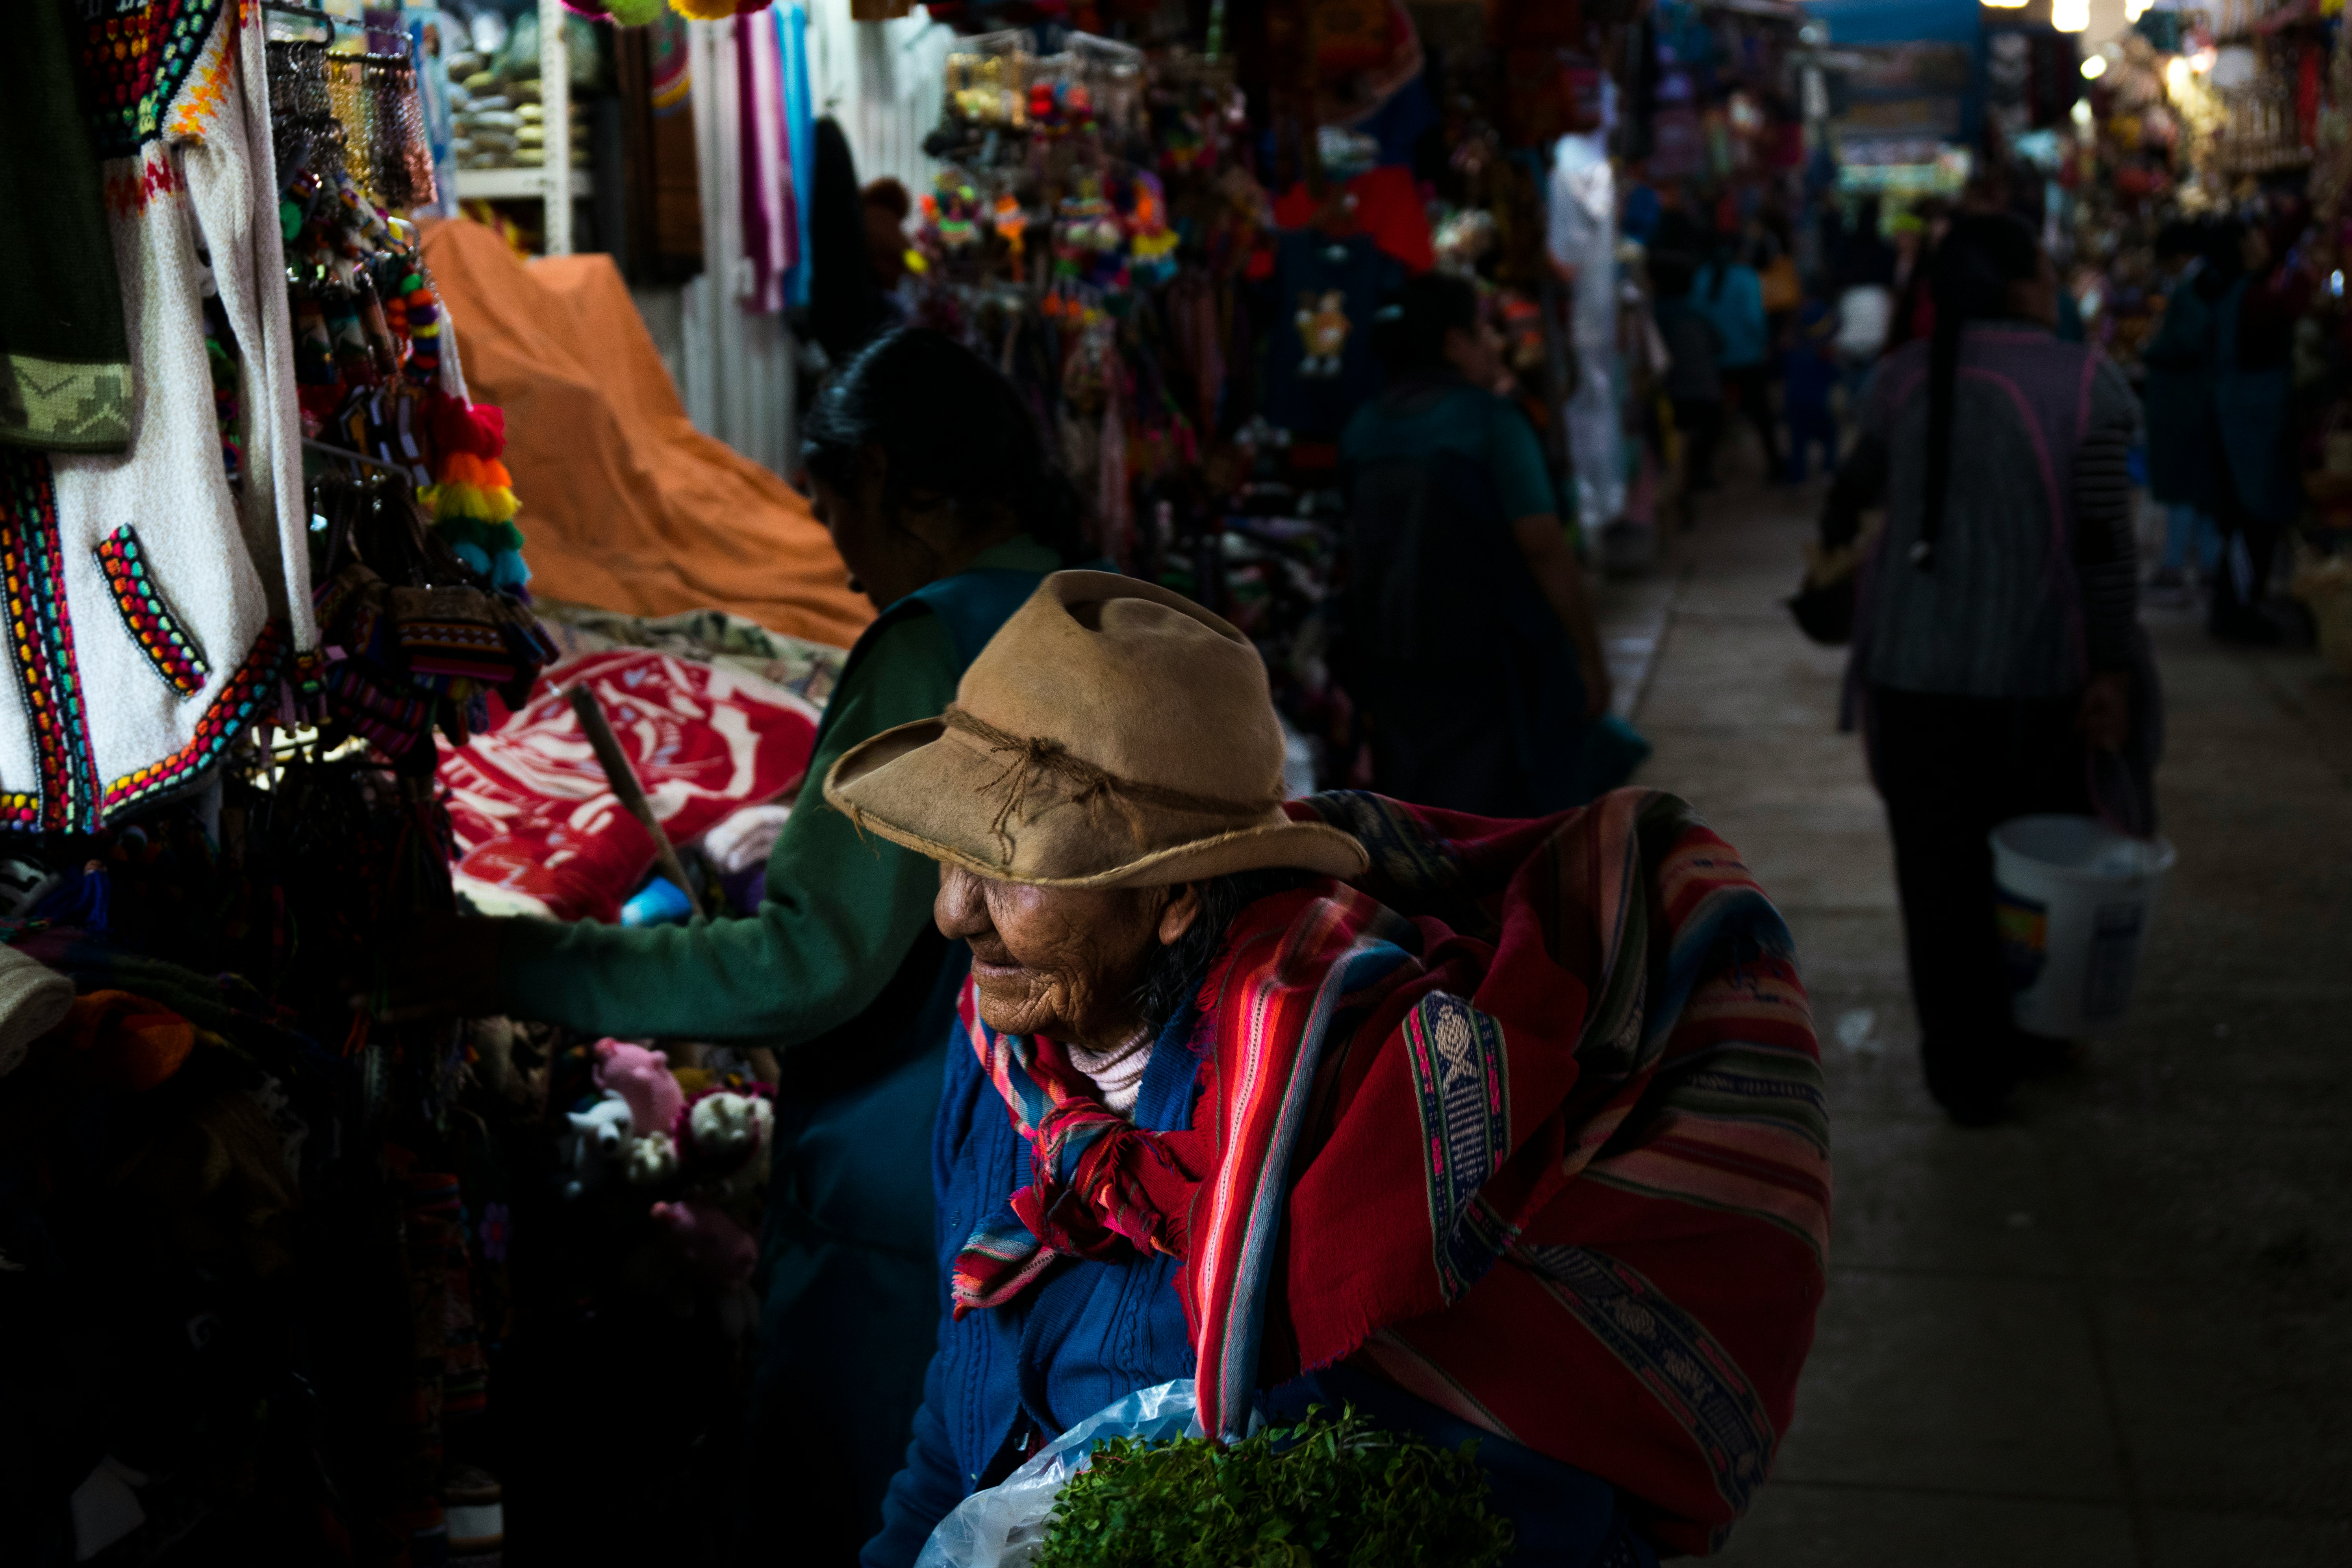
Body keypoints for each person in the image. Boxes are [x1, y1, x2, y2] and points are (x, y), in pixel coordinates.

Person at [829, 571, 1829, 1568]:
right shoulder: (1003, 1039)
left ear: (1173, 894)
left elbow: (1505, 1490)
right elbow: (963, 1388)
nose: (954, 912)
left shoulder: (1355, 1108)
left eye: (1011, 867)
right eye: (951, 855)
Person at [384, 328, 1092, 1558]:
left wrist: (516, 961)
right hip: (1067, 1177)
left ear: (881, 476)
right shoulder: (1089, 605)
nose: (844, 564)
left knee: (854, 1512)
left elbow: (806, 962)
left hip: (909, 1203)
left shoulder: (930, 640)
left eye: (832, 514)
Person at [1818, 214, 2154, 1125]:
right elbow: (2104, 549)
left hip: (1913, 678)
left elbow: (1848, 492)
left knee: (1937, 881)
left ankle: (1963, 1072)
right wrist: (2113, 668)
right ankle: (2036, 1029)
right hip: (2038, 678)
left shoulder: (1901, 382)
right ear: (2023, 285)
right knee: (2032, 872)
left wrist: (1844, 554)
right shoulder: (2087, 382)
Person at [1338, 272, 1630, 817]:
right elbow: (1544, 545)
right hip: (1489, 670)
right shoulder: (1489, 423)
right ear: (1454, 342)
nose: (1491, 344)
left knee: (1421, 819)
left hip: (1392, 667)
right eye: (1480, 331)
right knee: (1499, 823)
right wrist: (1589, 659)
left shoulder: (1363, 426)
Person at [2208, 209, 2315, 644]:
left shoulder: (2237, 289)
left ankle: (2239, 606)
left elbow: (2279, 246)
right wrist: (2309, 274)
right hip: (2252, 422)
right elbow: (2294, 304)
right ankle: (2239, 610)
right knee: (2252, 519)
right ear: (2243, 248)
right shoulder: (2254, 298)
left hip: (2243, 415)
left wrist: (2309, 210)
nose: (2262, 240)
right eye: (2254, 235)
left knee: (2248, 519)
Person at [2139, 220, 2224, 595]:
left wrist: (2152, 351)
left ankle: (2176, 565)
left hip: (2184, 400)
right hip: (2197, 398)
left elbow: (2187, 340)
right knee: (2199, 488)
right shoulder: (2205, 284)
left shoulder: (2192, 290)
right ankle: (2205, 565)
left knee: (2182, 487)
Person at [1693, 234, 1781, 477]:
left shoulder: (1701, 278)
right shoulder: (1746, 278)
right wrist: (1762, 345)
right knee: (1762, 415)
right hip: (1748, 357)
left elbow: (1697, 317)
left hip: (1713, 360)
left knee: (1712, 417)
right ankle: (1776, 466)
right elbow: (1756, 320)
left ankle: (1700, 473)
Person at [1654, 250, 1726, 497]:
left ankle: (1680, 488)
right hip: (1707, 396)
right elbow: (1720, 345)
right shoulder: (1696, 314)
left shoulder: (1656, 316)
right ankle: (1697, 477)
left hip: (1673, 398)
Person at [1782, 295, 1840, 482]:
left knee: (1798, 443)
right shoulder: (1823, 354)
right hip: (1818, 405)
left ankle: (1796, 477)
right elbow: (1834, 376)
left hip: (1795, 404)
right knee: (1831, 437)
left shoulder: (1794, 352)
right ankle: (1829, 471)